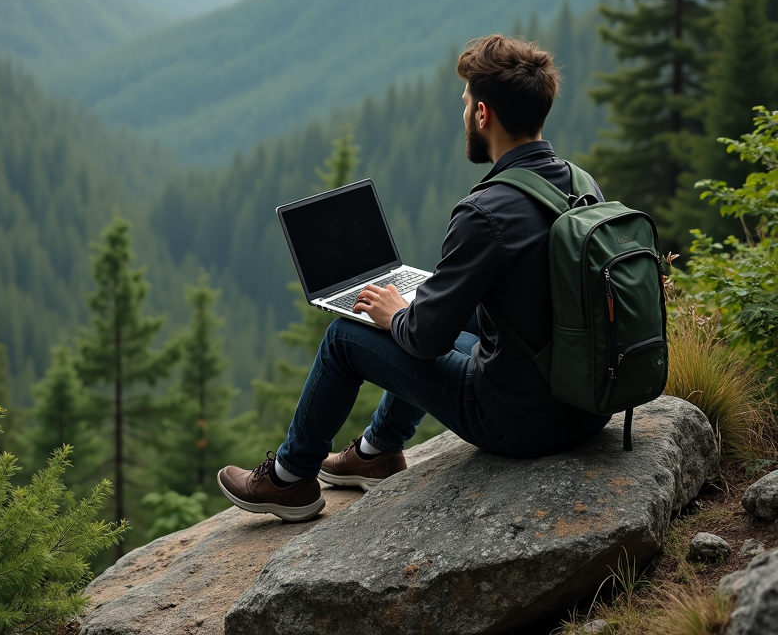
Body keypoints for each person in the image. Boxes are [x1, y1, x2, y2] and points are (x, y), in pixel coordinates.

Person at [217, 34, 612, 521]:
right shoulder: (578, 182)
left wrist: (397, 315)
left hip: (519, 422)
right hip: (585, 405)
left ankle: (290, 478)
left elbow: (425, 340)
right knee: (449, 306)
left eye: (466, 103)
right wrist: (420, 306)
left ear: (484, 116)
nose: (463, 113)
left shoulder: (485, 212)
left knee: (345, 335)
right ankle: (378, 451)